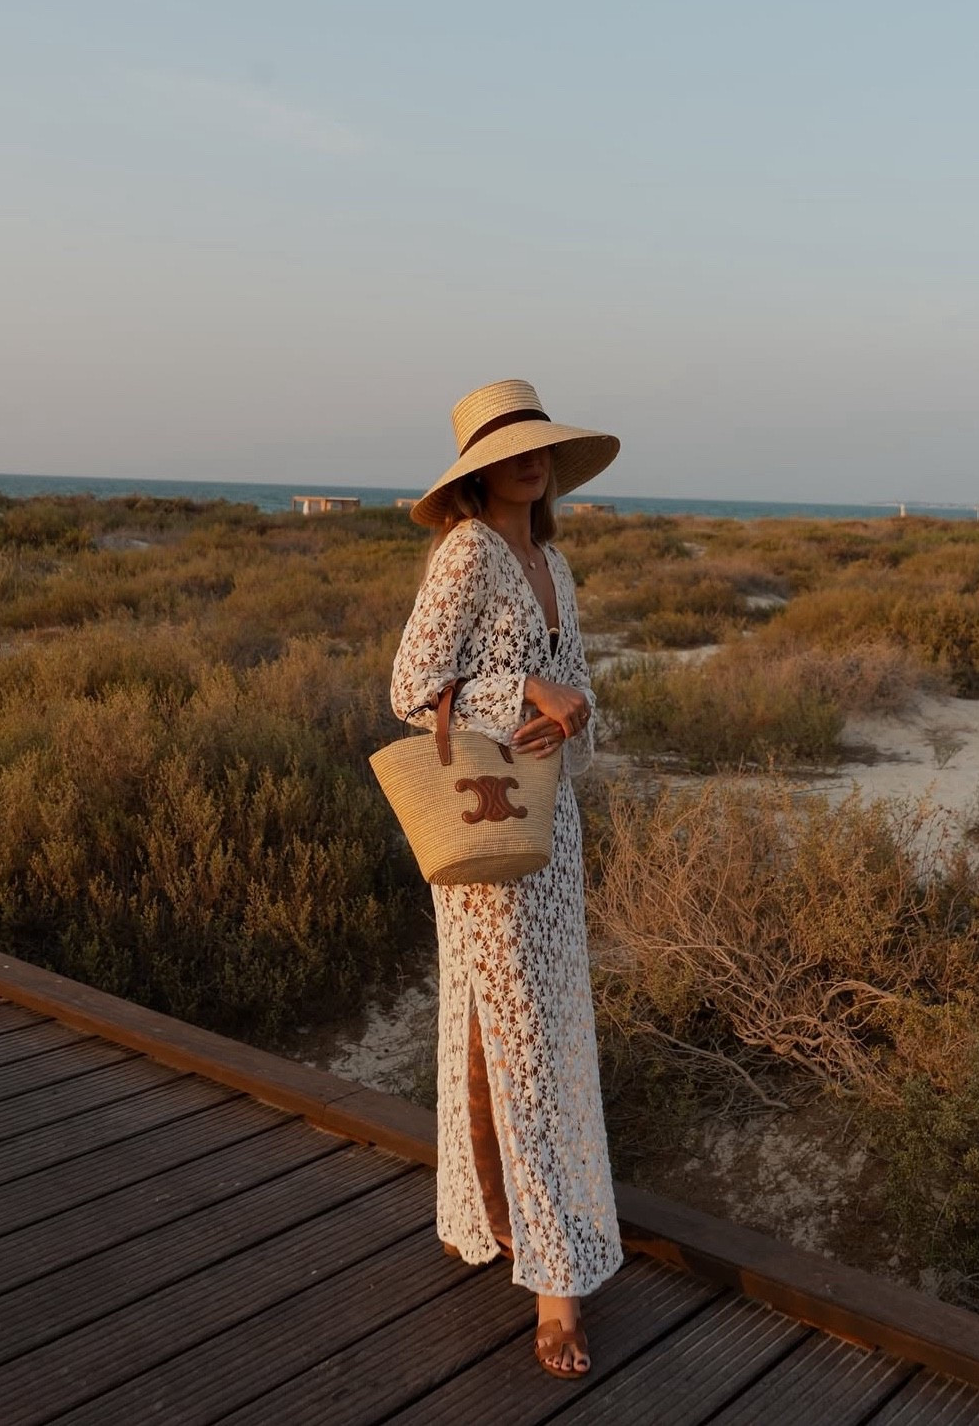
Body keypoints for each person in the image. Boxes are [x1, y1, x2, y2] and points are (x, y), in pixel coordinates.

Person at [390, 379, 623, 1379]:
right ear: (478, 469)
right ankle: (554, 1282)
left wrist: (572, 708)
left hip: (549, 819)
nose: (529, 459)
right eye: (508, 447)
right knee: (520, 1031)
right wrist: (519, 687)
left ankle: (479, 1210)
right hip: (485, 829)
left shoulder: (552, 562)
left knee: (529, 1026)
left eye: (539, 445)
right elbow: (410, 690)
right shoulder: (468, 551)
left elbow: (576, 690)